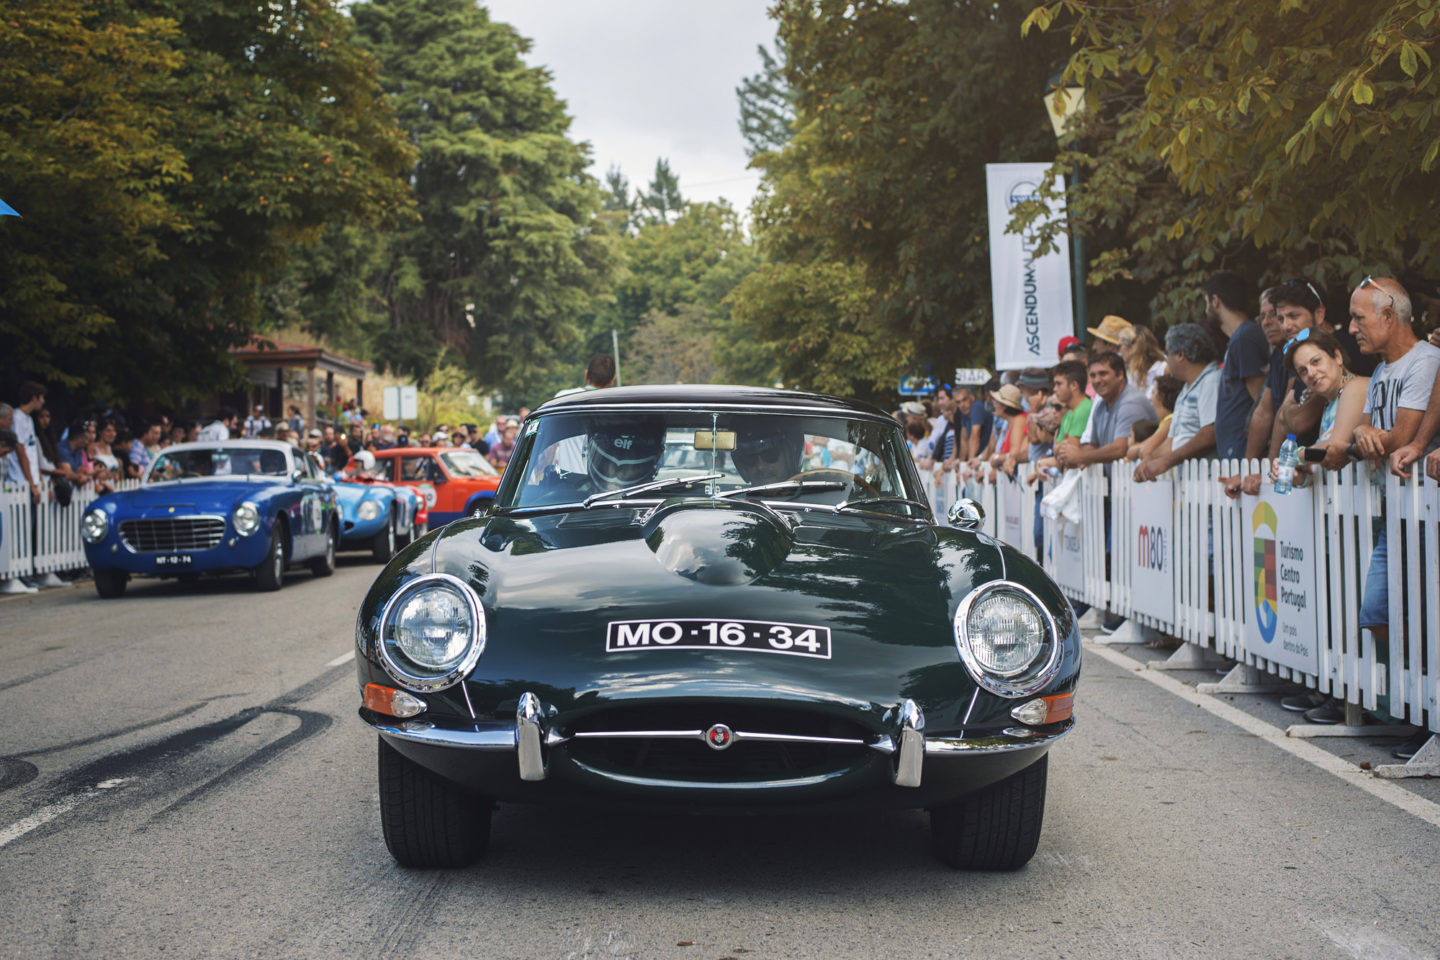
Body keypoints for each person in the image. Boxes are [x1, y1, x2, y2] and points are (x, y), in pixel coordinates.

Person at [1269, 326, 1368, 481]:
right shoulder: (1329, 404)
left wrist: (1293, 457)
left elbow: (1334, 448)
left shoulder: (1356, 387)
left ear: (1337, 356)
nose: (1311, 373)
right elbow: (1324, 467)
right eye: (1303, 371)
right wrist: (1298, 478)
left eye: (1316, 361)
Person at [1135, 324, 1220, 481]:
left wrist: (1166, 461)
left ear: (1181, 354)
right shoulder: (1186, 389)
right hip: (1191, 485)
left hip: (1208, 484)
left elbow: (1209, 434)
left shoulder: (1211, 381)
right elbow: (1172, 441)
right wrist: (1150, 459)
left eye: (1168, 353)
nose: (1166, 360)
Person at [1206, 272, 1271, 460]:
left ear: (1215, 300)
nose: (1206, 309)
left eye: (1206, 302)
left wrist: (1250, 460)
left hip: (1243, 453)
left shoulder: (1244, 338)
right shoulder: (1240, 338)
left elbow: (1261, 401)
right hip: (1235, 454)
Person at [1058, 353, 1156, 470]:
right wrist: (1070, 455)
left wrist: (1080, 456)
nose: (1097, 380)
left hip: (1139, 484)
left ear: (1120, 375)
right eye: (1093, 376)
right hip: (1115, 482)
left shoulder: (1131, 403)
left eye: (1103, 374)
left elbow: (1120, 448)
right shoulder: (1100, 404)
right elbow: (1092, 446)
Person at [731, 420, 805, 486]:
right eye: (750, 458)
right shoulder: (730, 498)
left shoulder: (810, 498)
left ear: (790, 457)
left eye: (770, 455)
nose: (760, 467)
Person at [1117, 325, 1167, 395]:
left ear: (1131, 347)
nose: (1119, 352)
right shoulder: (1127, 372)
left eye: (1119, 346)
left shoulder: (1162, 369)